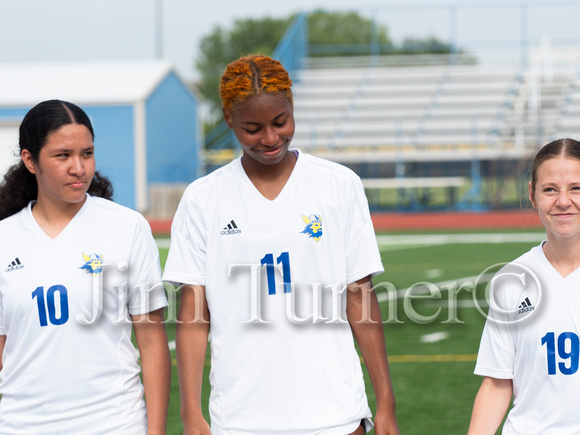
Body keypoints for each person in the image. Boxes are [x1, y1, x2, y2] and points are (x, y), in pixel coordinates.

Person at [163, 54, 400, 434]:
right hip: (241, 418)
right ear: (228, 119)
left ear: (292, 107)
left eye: (280, 122)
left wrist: (385, 402)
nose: (270, 138)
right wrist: (191, 412)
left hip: (334, 412)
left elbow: (360, 296)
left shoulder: (339, 184)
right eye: (252, 128)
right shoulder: (202, 197)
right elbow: (194, 314)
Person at [0, 99, 171, 434]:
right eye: (63, 156)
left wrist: (156, 431)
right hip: (23, 426)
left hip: (115, 423)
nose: (79, 168)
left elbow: (151, 341)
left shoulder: (127, 228)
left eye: (87, 153)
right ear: (30, 160)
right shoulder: (5, 238)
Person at [468, 138, 580, 434]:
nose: (564, 201)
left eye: (576, 188)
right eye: (550, 189)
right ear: (532, 195)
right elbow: (496, 382)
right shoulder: (512, 280)